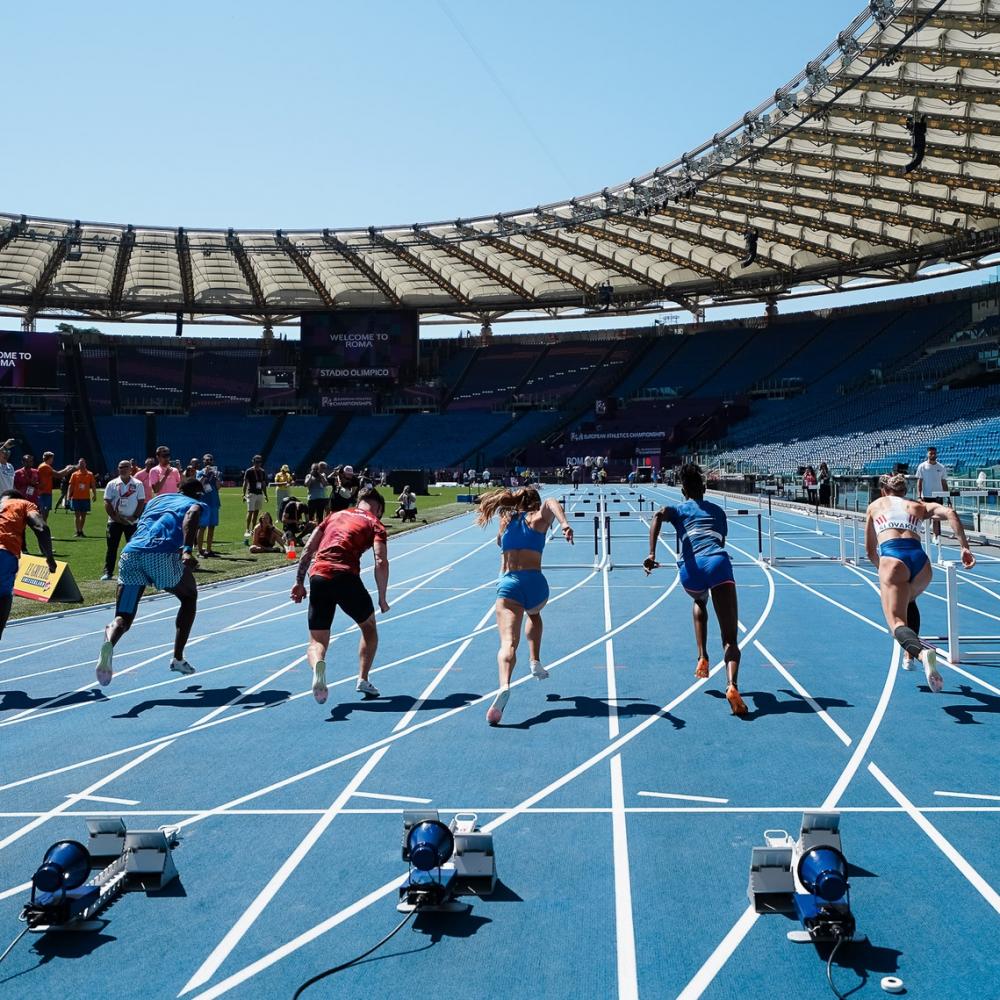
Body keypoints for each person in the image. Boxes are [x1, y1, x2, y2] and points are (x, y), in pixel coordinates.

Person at [644, 463, 747, 716]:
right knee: (730, 639)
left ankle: (702, 656)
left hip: (689, 571)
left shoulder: (678, 510)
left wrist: (651, 553)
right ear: (704, 487)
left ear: (682, 490)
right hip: (716, 563)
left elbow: (657, 515)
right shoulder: (718, 512)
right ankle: (732, 685)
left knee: (700, 600)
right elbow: (720, 539)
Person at [865, 472, 975, 689]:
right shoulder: (918, 506)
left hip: (893, 556)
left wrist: (886, 571)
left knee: (896, 622)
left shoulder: (876, 505)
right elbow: (950, 512)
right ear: (906, 491)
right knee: (909, 600)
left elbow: (870, 551)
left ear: (884, 491)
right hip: (922, 563)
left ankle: (922, 654)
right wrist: (964, 547)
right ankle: (909, 656)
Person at [95, 479, 208, 686]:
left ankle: (109, 642)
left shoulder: (158, 500)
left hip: (131, 554)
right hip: (159, 556)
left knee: (123, 617)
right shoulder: (194, 504)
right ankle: (178, 658)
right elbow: (190, 517)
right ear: (198, 495)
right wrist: (187, 550)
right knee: (189, 596)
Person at [476, 487, 574, 726]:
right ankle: (535, 661)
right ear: (534, 504)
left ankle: (504, 686)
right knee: (535, 614)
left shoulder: (506, 522)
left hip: (510, 585)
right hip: (536, 585)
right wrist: (563, 524)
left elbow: (501, 552)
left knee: (508, 643)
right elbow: (551, 501)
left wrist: (502, 583)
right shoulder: (537, 521)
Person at [290, 486, 390, 704]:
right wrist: (382, 597)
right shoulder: (375, 523)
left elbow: (308, 549)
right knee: (369, 627)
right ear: (379, 508)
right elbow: (380, 561)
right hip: (345, 577)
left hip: (318, 577)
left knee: (317, 640)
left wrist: (299, 582)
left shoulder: (333, 516)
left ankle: (318, 665)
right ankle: (362, 678)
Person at [0, 490, 56, 642]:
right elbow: (41, 527)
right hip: (4, 551)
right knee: (4, 596)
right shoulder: (24, 504)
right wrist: (49, 558)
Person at [101, 459, 146, 581]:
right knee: (112, 547)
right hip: (115, 521)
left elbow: (141, 501)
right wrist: (115, 517)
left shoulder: (138, 484)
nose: (123, 469)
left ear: (131, 469)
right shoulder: (112, 484)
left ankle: (134, 571)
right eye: (120, 467)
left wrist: (135, 517)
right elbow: (107, 501)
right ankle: (108, 572)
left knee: (133, 548)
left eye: (126, 467)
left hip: (132, 522)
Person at [916, 447, 948, 540]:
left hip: (938, 496)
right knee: (926, 517)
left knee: (937, 517)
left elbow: (944, 482)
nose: (933, 455)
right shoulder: (922, 466)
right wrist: (919, 495)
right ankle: (922, 533)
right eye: (931, 453)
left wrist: (947, 496)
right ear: (927, 454)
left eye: (934, 453)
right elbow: (919, 481)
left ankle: (936, 536)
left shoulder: (941, 467)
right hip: (926, 496)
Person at [36, 452, 74, 522]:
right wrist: (67, 468)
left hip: (46, 492)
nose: (53, 460)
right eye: (52, 458)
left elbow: (60, 475)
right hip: (43, 492)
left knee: (45, 513)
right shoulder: (45, 466)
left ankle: (43, 528)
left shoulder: (46, 466)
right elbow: (58, 475)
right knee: (43, 513)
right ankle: (42, 528)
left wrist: (69, 470)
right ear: (50, 458)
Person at [197, 453, 221, 557]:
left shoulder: (216, 473)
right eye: (206, 460)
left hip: (214, 502)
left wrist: (215, 477)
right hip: (204, 503)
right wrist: (205, 474)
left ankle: (209, 549)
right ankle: (200, 550)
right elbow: (199, 485)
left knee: (212, 527)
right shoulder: (200, 472)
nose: (208, 462)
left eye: (210, 460)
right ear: (203, 461)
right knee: (202, 527)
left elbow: (219, 487)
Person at [68, 458, 98, 537]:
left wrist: (95, 494)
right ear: (78, 464)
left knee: (83, 516)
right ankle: (77, 531)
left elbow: (93, 485)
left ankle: (81, 530)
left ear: (85, 464)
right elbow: (71, 486)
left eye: (83, 463)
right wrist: (68, 496)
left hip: (85, 498)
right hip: (76, 498)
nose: (81, 465)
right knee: (77, 515)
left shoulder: (90, 474)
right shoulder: (74, 474)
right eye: (80, 463)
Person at [242, 454, 268, 535]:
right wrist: (243, 494)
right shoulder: (249, 471)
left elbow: (263, 484)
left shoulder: (262, 471)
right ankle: (247, 529)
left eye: (259, 462)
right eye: (256, 461)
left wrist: (266, 495)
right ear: (253, 461)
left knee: (256, 512)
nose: (258, 463)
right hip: (251, 493)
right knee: (250, 511)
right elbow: (245, 483)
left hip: (259, 494)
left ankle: (253, 529)